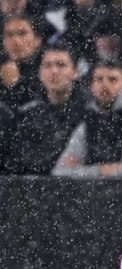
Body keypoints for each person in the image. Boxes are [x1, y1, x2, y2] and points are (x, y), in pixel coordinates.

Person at [53, 58, 122, 177]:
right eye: (99, 79)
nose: (105, 84)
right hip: (92, 193)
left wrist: (84, 171)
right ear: (91, 86)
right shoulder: (89, 123)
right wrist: (100, 170)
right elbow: (60, 172)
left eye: (112, 79)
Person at [0, 42, 87, 175]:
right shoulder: (26, 115)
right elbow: (16, 161)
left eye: (61, 65)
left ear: (75, 72)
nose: (54, 71)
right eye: (47, 65)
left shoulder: (88, 113)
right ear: (39, 72)